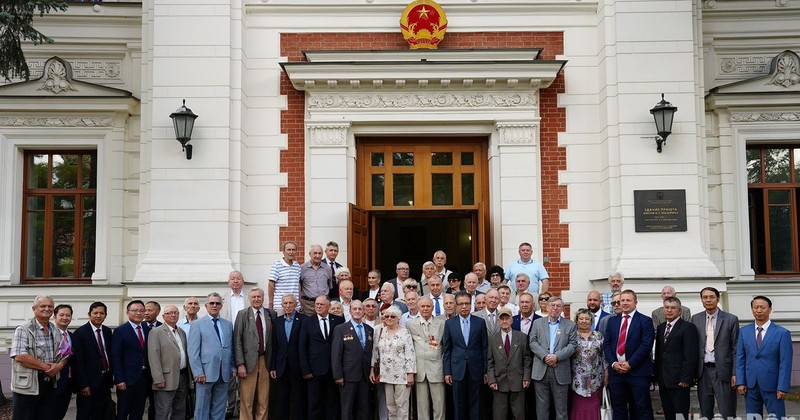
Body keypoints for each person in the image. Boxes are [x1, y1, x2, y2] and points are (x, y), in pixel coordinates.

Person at [10, 295, 68, 420]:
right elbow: (20, 356)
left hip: (49, 384)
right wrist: (48, 367)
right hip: (27, 386)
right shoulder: (24, 329)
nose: (47, 308)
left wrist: (59, 366)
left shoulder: (55, 329)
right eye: (43, 306)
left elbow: (65, 353)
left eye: (50, 306)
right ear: (34, 309)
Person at [735, 295, 793, 419]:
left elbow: (785, 362)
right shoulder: (744, 331)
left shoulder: (782, 333)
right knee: (752, 417)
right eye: (756, 307)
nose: (759, 310)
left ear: (770, 309)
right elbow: (740, 358)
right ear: (752, 310)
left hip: (773, 385)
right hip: (750, 385)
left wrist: (782, 386)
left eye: (763, 307)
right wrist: (740, 382)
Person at [603, 289, 655, 420]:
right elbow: (607, 344)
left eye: (628, 300)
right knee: (619, 409)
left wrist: (630, 363)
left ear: (635, 302)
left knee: (641, 408)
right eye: (622, 300)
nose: (624, 303)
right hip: (617, 374)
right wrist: (614, 364)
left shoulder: (645, 321)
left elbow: (646, 345)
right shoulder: (612, 321)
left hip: (638, 373)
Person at [691, 286, 739, 420]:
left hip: (724, 370)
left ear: (718, 299)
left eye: (711, 297)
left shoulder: (731, 319)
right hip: (703, 371)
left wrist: (735, 372)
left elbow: (735, 347)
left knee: (727, 410)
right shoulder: (695, 319)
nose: (708, 300)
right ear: (701, 300)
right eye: (705, 297)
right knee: (705, 410)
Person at [188, 292, 236, 420]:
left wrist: (232, 367)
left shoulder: (227, 324)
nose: (214, 305)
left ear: (221, 306)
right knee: (202, 408)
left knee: (219, 408)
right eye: (212, 303)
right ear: (206, 305)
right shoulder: (197, 324)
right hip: (205, 373)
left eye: (217, 303)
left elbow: (230, 348)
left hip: (224, 372)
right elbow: (193, 351)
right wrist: (198, 372)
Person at [529, 296, 577, 420]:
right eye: (552, 305)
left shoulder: (570, 325)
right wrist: (545, 356)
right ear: (547, 307)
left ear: (562, 308)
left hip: (560, 370)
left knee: (561, 410)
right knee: (541, 408)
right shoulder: (537, 323)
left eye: (558, 306)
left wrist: (557, 356)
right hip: (541, 370)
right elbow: (532, 342)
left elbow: (573, 345)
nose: (555, 308)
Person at [442, 291, 488, 420]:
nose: (464, 306)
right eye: (461, 304)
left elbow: (484, 348)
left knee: (476, 403)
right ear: (456, 305)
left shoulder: (480, 322)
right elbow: (447, 350)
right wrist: (447, 372)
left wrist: (485, 370)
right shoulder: (450, 323)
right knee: (458, 403)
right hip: (457, 369)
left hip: (476, 368)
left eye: (467, 303)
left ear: (471, 304)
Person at [299, 295, 345, 420]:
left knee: (332, 402)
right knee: (315, 403)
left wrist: (340, 369)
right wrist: (306, 369)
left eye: (321, 304)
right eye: (317, 304)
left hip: (333, 370)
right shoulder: (307, 322)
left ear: (329, 306)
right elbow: (302, 347)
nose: (318, 307)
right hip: (314, 370)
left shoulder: (339, 321)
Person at [654, 297, 699, 420]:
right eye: (666, 307)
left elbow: (691, 355)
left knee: (680, 415)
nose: (669, 310)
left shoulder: (688, 328)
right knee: (668, 413)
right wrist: (657, 376)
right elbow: (659, 353)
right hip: (664, 380)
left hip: (680, 381)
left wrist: (686, 378)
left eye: (673, 308)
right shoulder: (661, 328)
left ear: (679, 311)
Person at [233, 288, 273, 420]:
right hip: (248, 362)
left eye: (259, 297)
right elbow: (237, 340)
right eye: (253, 297)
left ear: (263, 298)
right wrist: (240, 364)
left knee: (263, 399)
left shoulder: (271, 314)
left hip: (265, 361)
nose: (256, 299)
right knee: (247, 399)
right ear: (249, 299)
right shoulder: (243, 314)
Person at [370, 306, 416, 420]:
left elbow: (410, 353)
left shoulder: (404, 332)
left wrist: (410, 373)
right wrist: (372, 368)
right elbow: (375, 351)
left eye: (392, 316)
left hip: (402, 374)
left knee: (402, 405)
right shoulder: (381, 331)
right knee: (390, 406)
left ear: (398, 318)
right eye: (386, 316)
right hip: (386, 374)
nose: (389, 318)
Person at [487, 307, 532, 420]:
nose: (505, 321)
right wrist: (491, 380)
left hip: (518, 381)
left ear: (512, 320)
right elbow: (490, 361)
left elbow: (527, 359)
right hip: (499, 382)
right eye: (502, 319)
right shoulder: (492, 339)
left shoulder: (522, 337)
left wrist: (526, 378)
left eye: (507, 318)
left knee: (519, 414)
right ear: (498, 321)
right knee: (499, 415)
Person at [331, 300, 374, 420]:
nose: (357, 311)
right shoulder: (341, 329)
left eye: (360, 309)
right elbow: (336, 354)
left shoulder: (369, 329)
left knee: (364, 409)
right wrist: (338, 375)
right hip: (347, 376)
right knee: (347, 409)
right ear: (349, 311)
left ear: (364, 311)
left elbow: (370, 353)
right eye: (354, 309)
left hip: (364, 376)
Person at [72, 301, 114, 420]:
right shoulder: (80, 333)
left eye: (101, 313)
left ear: (105, 315)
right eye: (95, 313)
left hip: (105, 379)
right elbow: (78, 362)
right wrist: (83, 384)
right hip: (88, 382)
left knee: (102, 412)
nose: (98, 315)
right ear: (89, 314)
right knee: (86, 413)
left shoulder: (107, 331)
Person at [406, 297, 446, 420]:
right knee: (422, 406)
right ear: (418, 308)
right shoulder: (410, 324)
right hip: (420, 369)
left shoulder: (442, 323)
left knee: (439, 404)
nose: (425, 309)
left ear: (433, 308)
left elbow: (446, 346)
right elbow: (408, 348)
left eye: (428, 306)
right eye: (422, 306)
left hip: (437, 369)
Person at [112, 299, 152, 420]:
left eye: (141, 311)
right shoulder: (120, 331)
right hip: (127, 379)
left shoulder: (147, 329)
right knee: (123, 411)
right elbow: (116, 356)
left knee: (138, 411)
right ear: (128, 312)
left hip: (144, 377)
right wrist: (119, 379)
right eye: (135, 310)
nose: (139, 313)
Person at [147, 304, 189, 420]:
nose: (173, 315)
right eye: (170, 313)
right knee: (163, 411)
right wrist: (158, 378)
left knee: (180, 410)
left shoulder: (181, 332)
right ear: (163, 316)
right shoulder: (156, 332)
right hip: (165, 378)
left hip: (182, 376)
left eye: (176, 313)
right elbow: (153, 357)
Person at [269, 294, 306, 420]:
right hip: (281, 366)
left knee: (298, 398)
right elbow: (274, 346)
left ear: (296, 304)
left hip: (298, 366)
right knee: (281, 399)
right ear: (282, 305)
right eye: (285, 303)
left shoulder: (304, 320)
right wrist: (273, 366)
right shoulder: (277, 322)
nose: (288, 306)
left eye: (290, 303)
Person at [570, 308, 606, 420]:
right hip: (576, 380)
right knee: (578, 407)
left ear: (591, 321)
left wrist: (607, 373)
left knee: (593, 407)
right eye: (581, 318)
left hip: (595, 379)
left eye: (587, 319)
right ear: (576, 321)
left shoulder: (598, 336)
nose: (584, 321)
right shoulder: (572, 336)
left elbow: (604, 356)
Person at [52, 304, 74, 419]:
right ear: (54, 317)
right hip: (53, 383)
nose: (65, 317)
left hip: (68, 383)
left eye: (68, 315)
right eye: (61, 315)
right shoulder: (49, 335)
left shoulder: (71, 336)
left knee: (61, 413)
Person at [269, 241, 302, 316]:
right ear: (283, 251)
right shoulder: (277, 265)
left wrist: (299, 301)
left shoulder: (297, 266)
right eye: (289, 250)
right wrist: (271, 303)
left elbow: (298, 285)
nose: (291, 252)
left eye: (293, 250)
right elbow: (271, 284)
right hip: (280, 306)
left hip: (295, 305)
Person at [299, 244, 334, 316]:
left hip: (324, 305)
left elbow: (329, 286)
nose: (317, 256)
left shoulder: (327, 269)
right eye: (315, 253)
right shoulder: (302, 268)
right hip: (308, 305)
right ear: (310, 254)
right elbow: (299, 287)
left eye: (320, 253)